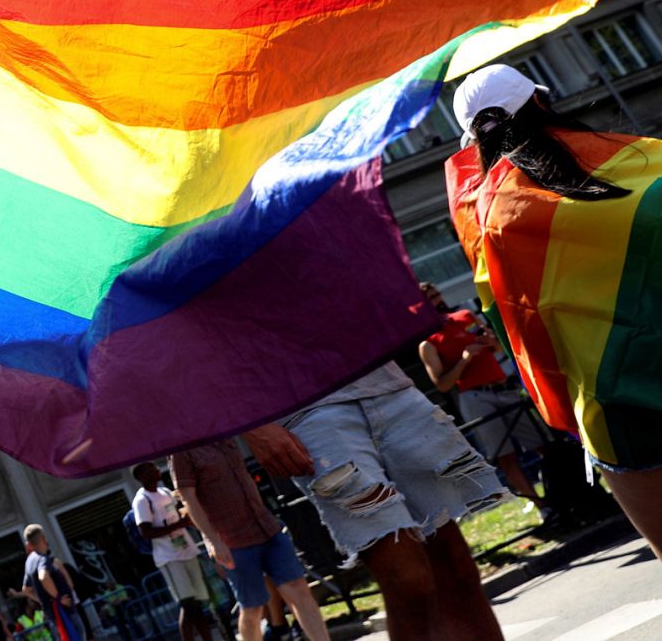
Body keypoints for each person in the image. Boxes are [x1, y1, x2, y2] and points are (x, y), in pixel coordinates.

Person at [448, 63, 662, 559]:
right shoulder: (637, 161)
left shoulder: (490, 222)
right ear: (541, 102)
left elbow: (517, 332)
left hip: (613, 410)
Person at [243, 358, 507, 641]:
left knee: (455, 564)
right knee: (407, 579)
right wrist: (251, 426)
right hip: (301, 409)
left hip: (383, 381)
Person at [169, 439, 329, 641]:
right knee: (253, 608)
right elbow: (187, 498)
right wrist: (211, 541)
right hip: (232, 540)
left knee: (298, 589)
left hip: (267, 527)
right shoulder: (181, 451)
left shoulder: (226, 435)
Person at [416, 282, 548, 513]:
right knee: (505, 455)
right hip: (475, 396)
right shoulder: (428, 341)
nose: (437, 299)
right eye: (431, 298)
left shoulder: (465, 316)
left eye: (437, 294)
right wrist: (465, 359)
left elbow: (499, 348)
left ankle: (562, 492)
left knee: (541, 443)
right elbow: (443, 384)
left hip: (503, 387)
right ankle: (541, 507)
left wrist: (492, 342)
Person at [130, 463, 215, 641]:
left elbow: (179, 512)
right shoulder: (142, 500)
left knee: (198, 604)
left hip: (187, 550)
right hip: (169, 557)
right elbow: (146, 532)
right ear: (143, 476)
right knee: (187, 604)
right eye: (151, 468)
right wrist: (179, 525)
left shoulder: (166, 492)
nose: (156, 469)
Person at [21, 524, 82, 641]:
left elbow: (26, 590)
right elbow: (43, 576)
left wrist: (44, 600)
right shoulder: (42, 558)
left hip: (52, 615)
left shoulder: (29, 561)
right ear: (44, 538)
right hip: (64, 614)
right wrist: (58, 599)